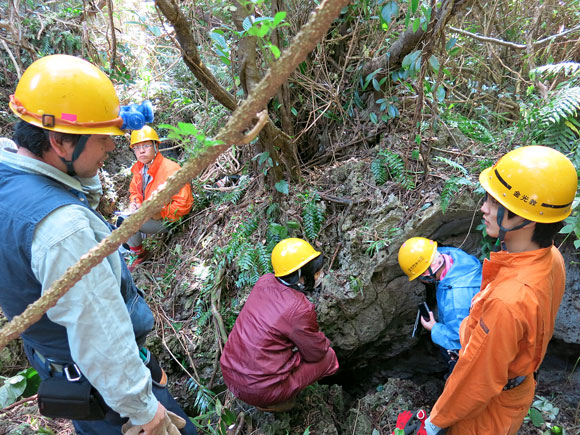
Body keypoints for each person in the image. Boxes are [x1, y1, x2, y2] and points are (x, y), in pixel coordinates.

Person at [0, 54, 196, 434]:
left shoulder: (9, 171)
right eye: (103, 138)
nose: (112, 146)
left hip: (61, 368)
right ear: (58, 142)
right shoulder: (64, 230)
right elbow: (100, 335)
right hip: (109, 393)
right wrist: (144, 411)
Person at [424, 146, 578, 435]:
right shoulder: (551, 258)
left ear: (528, 218)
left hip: (487, 411)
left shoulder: (508, 300)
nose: (484, 208)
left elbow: (476, 381)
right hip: (515, 389)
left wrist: (435, 422)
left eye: (495, 203)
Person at [220, 238, 339, 412]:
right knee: (328, 358)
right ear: (300, 276)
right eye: (316, 272)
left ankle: (273, 393)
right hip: (259, 389)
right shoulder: (298, 308)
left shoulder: (264, 282)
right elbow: (316, 353)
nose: (320, 275)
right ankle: (276, 403)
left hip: (230, 374)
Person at [398, 237, 482, 376]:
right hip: (474, 314)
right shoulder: (453, 255)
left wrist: (434, 328)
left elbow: (460, 339)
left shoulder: (455, 301)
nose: (421, 280)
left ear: (427, 273)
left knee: (456, 373)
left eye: (420, 275)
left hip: (473, 346)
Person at [118, 125, 193, 271]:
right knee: (122, 219)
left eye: (146, 145)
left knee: (127, 222)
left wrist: (160, 212)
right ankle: (136, 250)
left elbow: (184, 204)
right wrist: (135, 203)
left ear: (156, 146)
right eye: (137, 147)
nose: (141, 150)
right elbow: (135, 191)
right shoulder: (139, 168)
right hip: (148, 214)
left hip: (168, 220)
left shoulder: (171, 169)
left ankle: (140, 255)